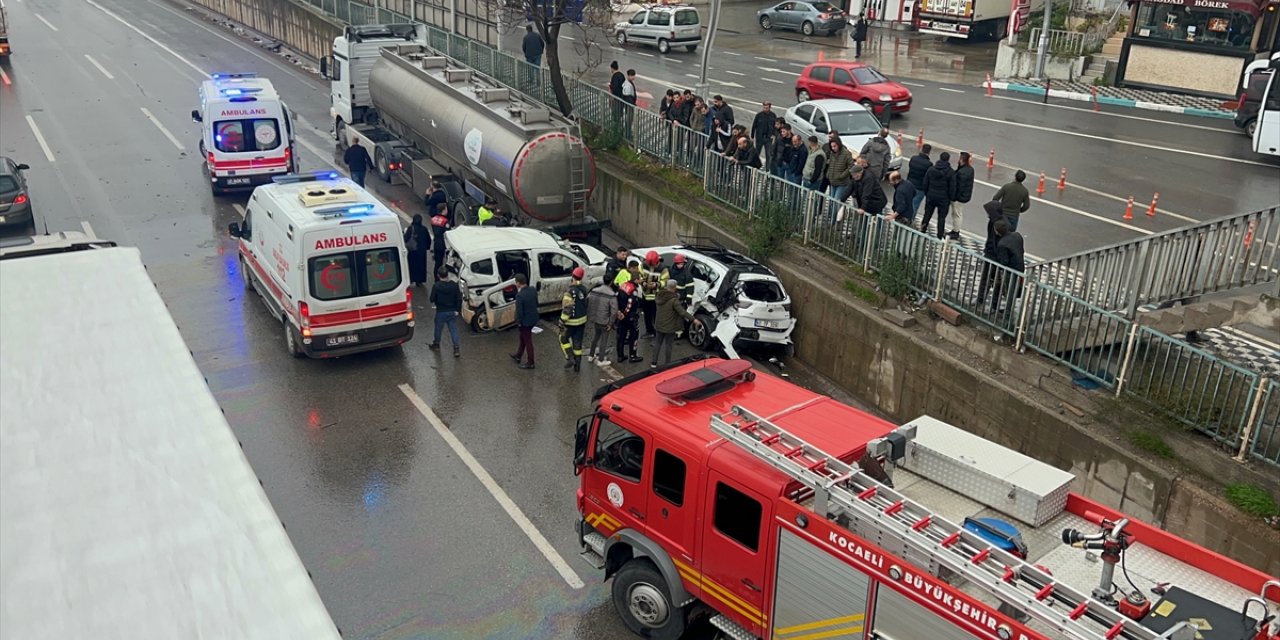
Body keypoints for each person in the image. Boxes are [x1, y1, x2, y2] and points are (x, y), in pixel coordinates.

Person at [652, 280, 700, 368]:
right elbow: (682, 313)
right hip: (669, 327)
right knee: (668, 346)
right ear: (675, 288)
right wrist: (694, 320)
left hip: (658, 324)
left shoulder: (659, 295)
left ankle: (653, 363)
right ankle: (667, 365)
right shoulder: (674, 300)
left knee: (658, 344)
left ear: (667, 286)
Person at [558, 267, 589, 372]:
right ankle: (577, 366)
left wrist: (562, 321)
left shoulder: (569, 292)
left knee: (563, 339)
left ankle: (570, 358)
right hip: (582, 321)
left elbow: (567, 309)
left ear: (572, 276)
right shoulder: (584, 289)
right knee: (577, 343)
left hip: (571, 322)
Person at [991, 218, 1026, 312]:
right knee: (1013, 289)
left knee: (1008, 290)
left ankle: (1006, 313)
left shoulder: (1002, 244)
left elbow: (1004, 261)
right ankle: (1002, 308)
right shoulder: (1017, 235)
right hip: (1020, 266)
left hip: (1010, 270)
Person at [920, 151, 955, 239]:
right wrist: (950, 198)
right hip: (943, 199)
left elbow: (925, 183)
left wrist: (927, 193)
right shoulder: (950, 172)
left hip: (931, 196)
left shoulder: (931, 169)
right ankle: (939, 235)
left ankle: (922, 230)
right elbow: (952, 187)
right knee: (941, 218)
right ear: (948, 160)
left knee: (927, 214)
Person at [428, 266, 462, 357]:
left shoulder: (436, 286)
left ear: (438, 275)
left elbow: (431, 299)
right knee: (453, 329)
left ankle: (436, 344)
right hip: (452, 311)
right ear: (447, 275)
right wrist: (457, 309)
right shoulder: (454, 285)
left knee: (438, 329)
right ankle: (456, 349)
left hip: (441, 311)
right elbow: (459, 298)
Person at [586, 280, 618, 365]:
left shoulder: (594, 290)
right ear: (611, 282)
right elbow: (614, 311)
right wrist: (611, 323)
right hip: (605, 320)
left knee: (596, 336)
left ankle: (591, 355)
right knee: (604, 339)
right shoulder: (611, 294)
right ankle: (601, 359)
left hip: (595, 318)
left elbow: (588, 300)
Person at [511, 273, 538, 369]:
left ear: (518, 283)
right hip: (533, 318)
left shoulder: (520, 295)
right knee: (523, 337)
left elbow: (519, 312)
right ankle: (518, 355)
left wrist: (518, 322)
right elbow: (536, 303)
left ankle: (531, 362)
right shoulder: (533, 290)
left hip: (525, 322)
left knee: (527, 341)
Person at [638, 250, 666, 338]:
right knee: (647, 316)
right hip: (645, 295)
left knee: (657, 317)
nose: (651, 266)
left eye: (652, 264)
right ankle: (649, 331)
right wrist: (643, 283)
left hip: (656, 297)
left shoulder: (662, 269)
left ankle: (658, 334)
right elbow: (640, 276)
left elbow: (665, 281)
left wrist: (657, 284)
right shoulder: (643, 265)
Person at [616, 281, 642, 363]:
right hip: (630, 316)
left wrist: (619, 311)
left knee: (621, 336)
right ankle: (633, 355)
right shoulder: (633, 290)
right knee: (634, 335)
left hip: (621, 315)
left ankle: (620, 356)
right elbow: (630, 302)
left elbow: (616, 298)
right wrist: (625, 313)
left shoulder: (623, 285)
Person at [824, 136, 856, 205]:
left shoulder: (846, 153)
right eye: (832, 146)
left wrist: (842, 175)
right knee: (831, 201)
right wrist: (828, 174)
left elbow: (851, 166)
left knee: (836, 201)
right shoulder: (832, 153)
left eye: (834, 146)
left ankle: (834, 215)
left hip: (842, 182)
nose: (833, 148)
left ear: (839, 144)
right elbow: (830, 164)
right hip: (832, 181)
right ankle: (830, 215)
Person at [950, 151, 975, 240]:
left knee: (957, 214)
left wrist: (954, 197)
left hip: (959, 198)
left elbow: (959, 187)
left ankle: (956, 231)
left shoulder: (962, 172)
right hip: (965, 196)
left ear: (961, 160)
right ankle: (955, 229)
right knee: (957, 214)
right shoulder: (970, 169)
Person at [403, 214, 430, 286]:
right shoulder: (424, 229)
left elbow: (406, 238)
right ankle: (419, 281)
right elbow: (428, 239)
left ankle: (411, 279)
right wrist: (427, 247)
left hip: (413, 250)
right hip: (422, 251)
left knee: (412, 265)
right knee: (421, 265)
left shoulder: (411, 228)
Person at [906, 143, 931, 217]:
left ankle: (903, 218)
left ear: (921, 149)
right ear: (929, 152)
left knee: (907, 202)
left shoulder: (913, 158)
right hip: (920, 187)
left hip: (909, 184)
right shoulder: (928, 164)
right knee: (914, 205)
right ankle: (910, 220)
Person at [430, 207, 450, 274]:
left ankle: (436, 276)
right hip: (443, 243)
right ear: (443, 210)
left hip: (436, 243)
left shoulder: (433, 219)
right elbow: (448, 232)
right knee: (446, 260)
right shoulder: (445, 221)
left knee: (437, 262)